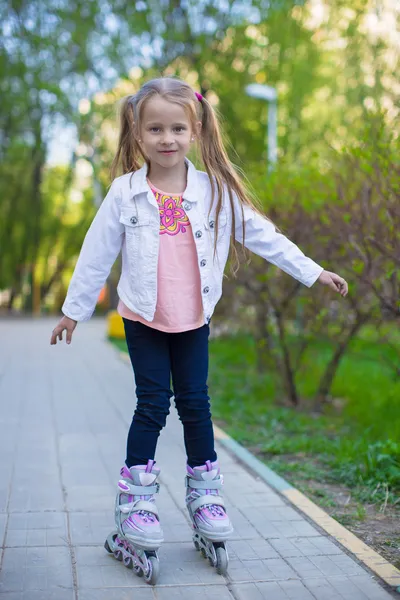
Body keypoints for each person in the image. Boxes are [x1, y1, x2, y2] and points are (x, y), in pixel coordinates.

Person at [50, 77, 348, 580]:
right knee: (151, 404)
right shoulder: (125, 192)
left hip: (193, 319)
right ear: (138, 135)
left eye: (177, 128)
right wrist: (73, 310)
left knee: (196, 403)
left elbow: (263, 235)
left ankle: (205, 498)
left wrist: (311, 270)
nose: (167, 138)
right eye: (155, 129)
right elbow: (95, 252)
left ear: (195, 131)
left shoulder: (214, 190)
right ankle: (136, 505)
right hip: (144, 317)